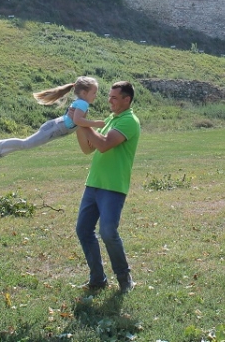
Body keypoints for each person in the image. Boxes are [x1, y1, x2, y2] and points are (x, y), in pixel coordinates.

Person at [74, 81, 141, 294]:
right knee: (83, 230)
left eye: (114, 97)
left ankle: (124, 278)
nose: (109, 100)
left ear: (126, 99)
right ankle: (97, 279)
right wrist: (77, 125)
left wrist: (83, 123)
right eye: (109, 96)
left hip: (113, 187)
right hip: (93, 183)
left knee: (108, 231)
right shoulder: (111, 119)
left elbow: (103, 145)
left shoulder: (129, 121)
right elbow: (88, 149)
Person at [0, 76, 105, 167]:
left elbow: (77, 121)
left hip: (55, 129)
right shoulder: (83, 103)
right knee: (26, 143)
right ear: (84, 92)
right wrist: (96, 123)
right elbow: (78, 120)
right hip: (54, 128)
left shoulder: (82, 103)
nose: (96, 95)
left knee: (26, 145)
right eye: (94, 92)